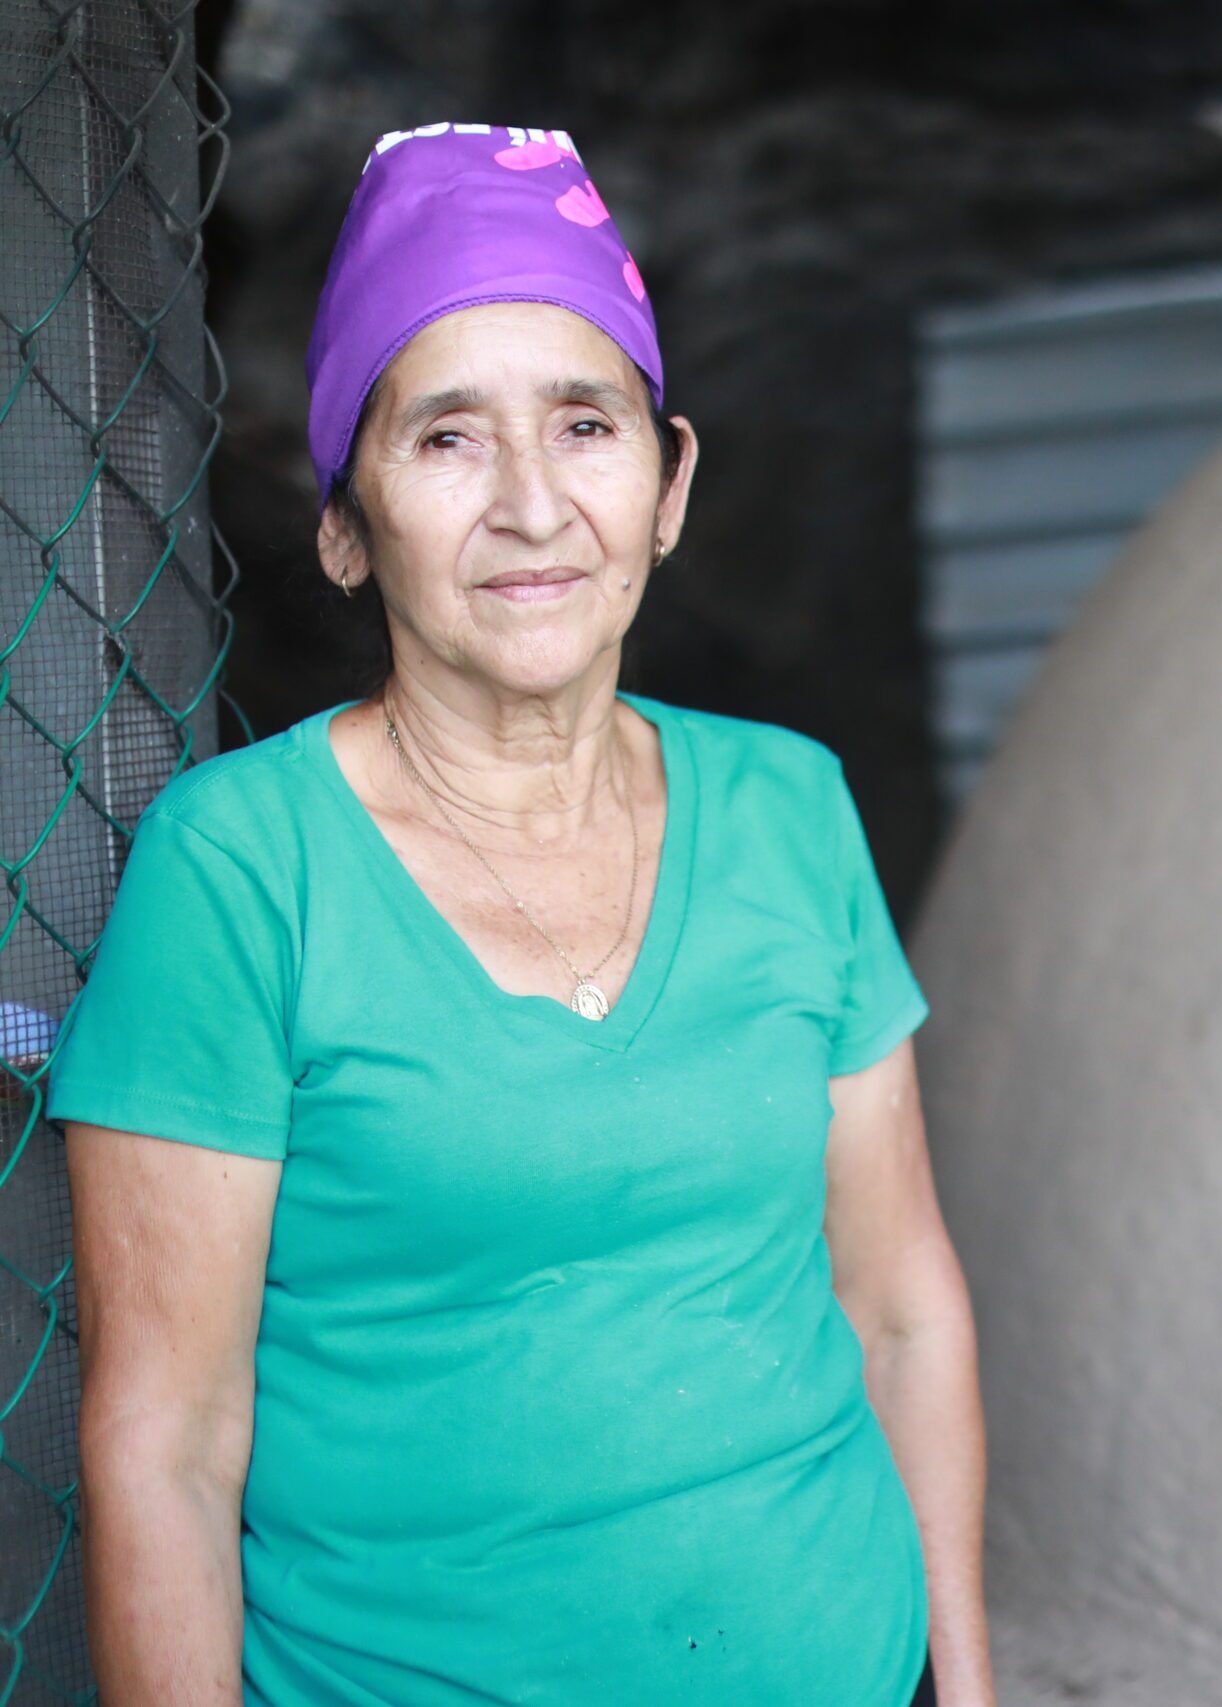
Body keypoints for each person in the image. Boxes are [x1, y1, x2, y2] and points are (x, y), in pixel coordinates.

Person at [44, 122, 991, 1707]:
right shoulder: (241, 869)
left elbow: (897, 1307)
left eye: (584, 422)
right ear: (343, 526)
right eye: (445, 441)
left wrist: (962, 1684)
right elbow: (168, 1448)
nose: (536, 506)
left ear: (670, 482)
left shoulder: (789, 810)